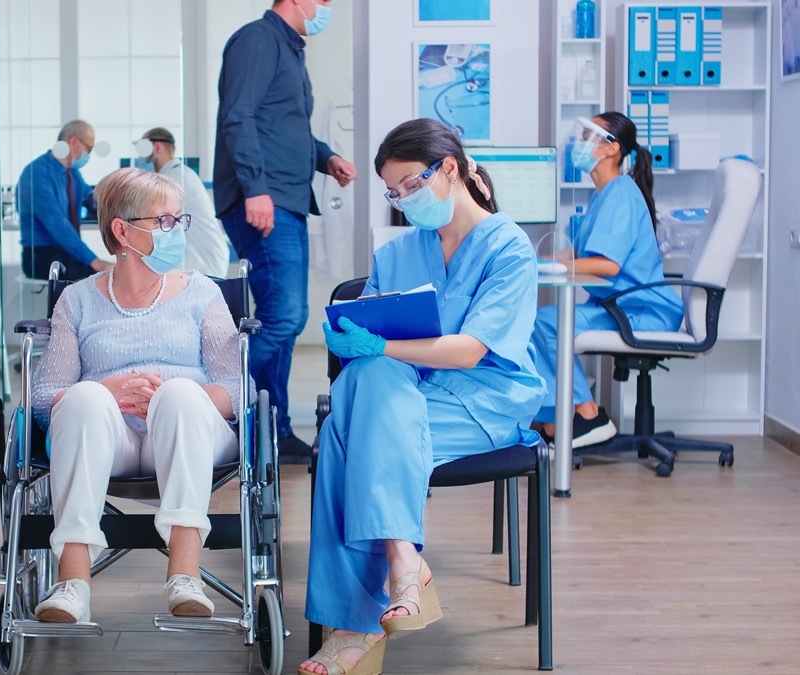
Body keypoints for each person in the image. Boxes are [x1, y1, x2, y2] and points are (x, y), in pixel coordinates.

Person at [302, 119, 545, 675]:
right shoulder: (399, 252)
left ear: (450, 169)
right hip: (406, 395)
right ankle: (403, 563)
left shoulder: (508, 247)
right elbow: (375, 347)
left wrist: (382, 346)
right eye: (395, 192)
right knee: (367, 384)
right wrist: (353, 338)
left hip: (483, 400)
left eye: (411, 184)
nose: (404, 199)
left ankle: (355, 628)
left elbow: (471, 351)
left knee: (345, 437)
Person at [30, 168, 246, 623]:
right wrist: (102, 390)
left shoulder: (202, 293)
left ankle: (185, 572)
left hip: (194, 433)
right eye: (163, 222)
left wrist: (171, 395)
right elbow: (45, 396)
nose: (175, 232)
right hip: (115, 443)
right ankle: (72, 582)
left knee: (182, 395)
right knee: (84, 398)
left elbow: (237, 387)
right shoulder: (76, 299)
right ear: (122, 230)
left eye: (179, 221)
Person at [214, 0, 358, 463]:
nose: (327, 8)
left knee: (285, 321)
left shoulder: (290, 48)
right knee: (284, 317)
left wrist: (325, 157)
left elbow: (285, 130)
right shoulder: (257, 40)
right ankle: (210, 398)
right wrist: (256, 189)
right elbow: (238, 116)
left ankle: (270, 430)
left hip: (286, 200)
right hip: (266, 200)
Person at [531, 113, 684, 448]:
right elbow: (583, 256)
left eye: (589, 135)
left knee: (542, 323)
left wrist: (556, 266)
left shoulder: (620, 194)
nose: (579, 142)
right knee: (540, 322)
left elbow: (608, 265)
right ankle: (555, 420)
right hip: (621, 307)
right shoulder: (604, 195)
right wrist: (541, 261)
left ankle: (588, 413)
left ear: (612, 149)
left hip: (643, 311)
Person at [17, 120, 114, 281]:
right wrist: (96, 262)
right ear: (74, 141)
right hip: (42, 256)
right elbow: (57, 224)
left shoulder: (73, 174)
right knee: (105, 278)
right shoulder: (36, 174)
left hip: (66, 252)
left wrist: (119, 215)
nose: (88, 155)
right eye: (89, 149)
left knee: (112, 275)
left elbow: (92, 201)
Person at [134, 127, 232, 278]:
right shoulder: (176, 174)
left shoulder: (175, 178)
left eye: (143, 149)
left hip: (205, 262)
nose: (141, 159)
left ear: (156, 147)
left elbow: (145, 211)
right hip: (198, 259)